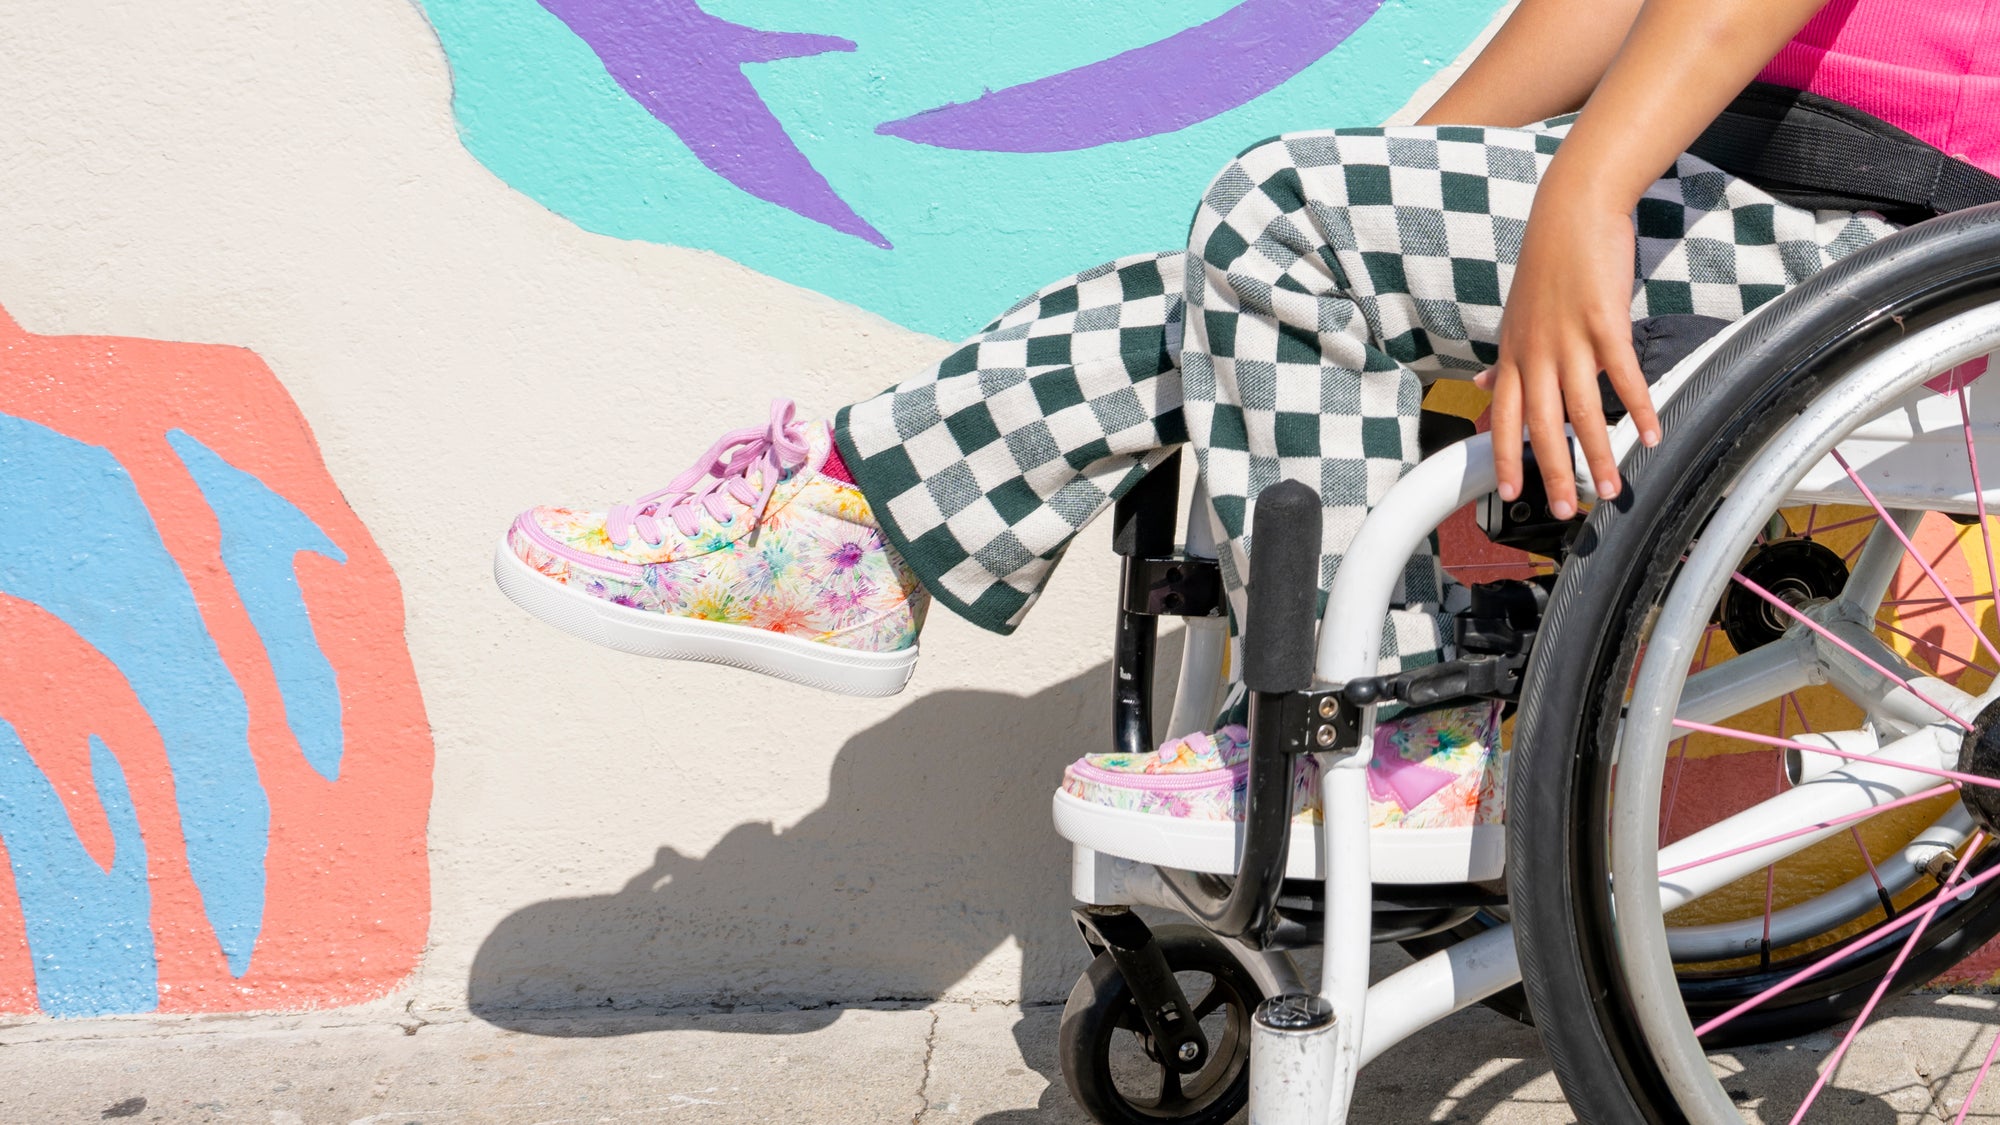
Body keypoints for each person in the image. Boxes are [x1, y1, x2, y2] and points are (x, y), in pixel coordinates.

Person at [496, 0, 1994, 831]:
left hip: (1893, 228)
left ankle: (1388, 736)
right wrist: (1382, 183)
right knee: (1265, 239)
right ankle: (850, 522)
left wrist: (1578, 187)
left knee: (1286, 216)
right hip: (1762, 175)